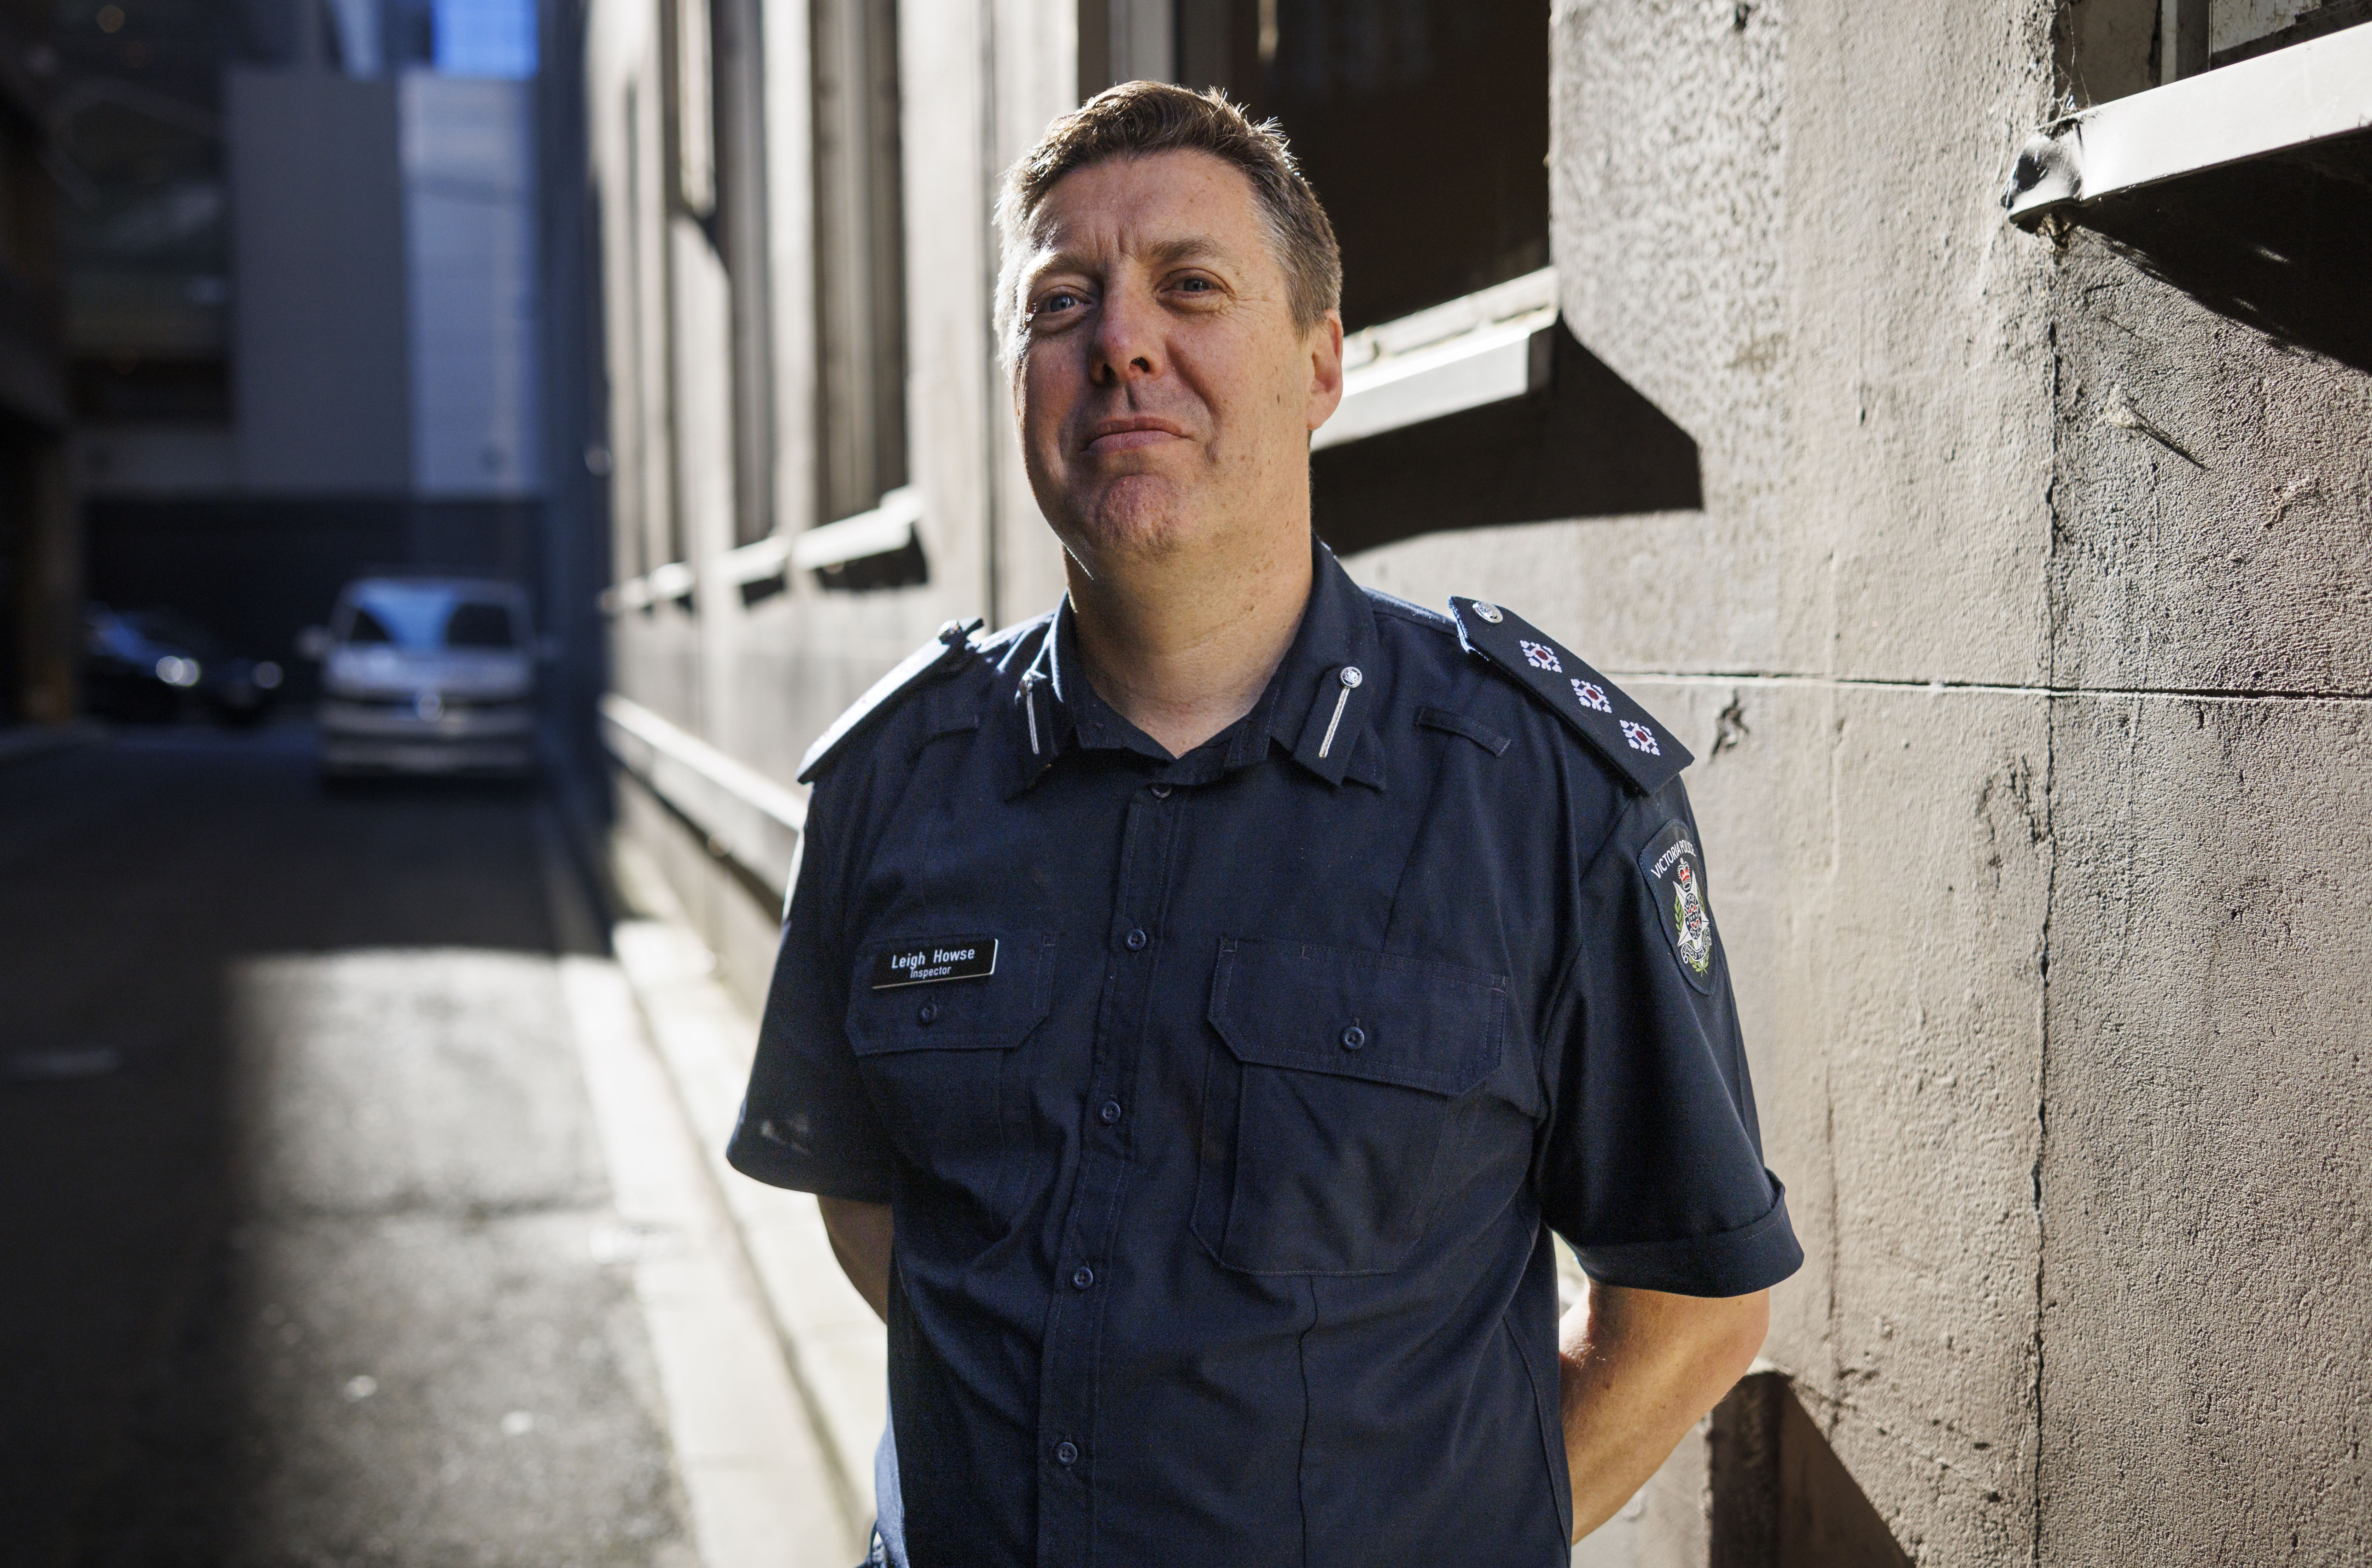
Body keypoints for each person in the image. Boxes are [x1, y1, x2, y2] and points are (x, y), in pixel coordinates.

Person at [727, 81, 1800, 1568]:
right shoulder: (892, 786)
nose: (1121, 342)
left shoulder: (1536, 792)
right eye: (1060, 302)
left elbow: (1693, 1301)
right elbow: (865, 1186)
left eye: (1192, 285)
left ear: (1319, 365)